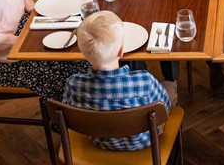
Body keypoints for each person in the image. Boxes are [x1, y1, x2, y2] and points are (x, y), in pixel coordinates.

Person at [63, 11, 173, 150]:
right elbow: (165, 108)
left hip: (99, 142)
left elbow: (69, 115)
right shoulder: (145, 81)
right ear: (121, 51)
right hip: (145, 142)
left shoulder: (74, 84)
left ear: (83, 53)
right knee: (169, 88)